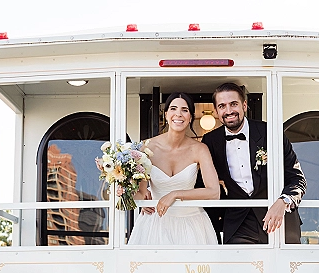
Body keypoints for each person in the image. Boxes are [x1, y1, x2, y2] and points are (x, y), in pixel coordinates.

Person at [200, 82, 306, 244]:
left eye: (233, 104)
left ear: (244, 105)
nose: (228, 111)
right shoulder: (210, 141)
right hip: (238, 223)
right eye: (222, 106)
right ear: (216, 111)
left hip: (278, 218)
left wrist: (283, 201)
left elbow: (297, 179)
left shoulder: (270, 133)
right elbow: (200, 181)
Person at [128, 93, 220, 245]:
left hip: (192, 224)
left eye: (184, 110)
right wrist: (125, 191)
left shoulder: (200, 149)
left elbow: (214, 192)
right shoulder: (146, 147)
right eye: (173, 108)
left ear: (190, 117)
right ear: (166, 114)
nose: (178, 114)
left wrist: (175, 194)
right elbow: (141, 193)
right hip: (155, 223)